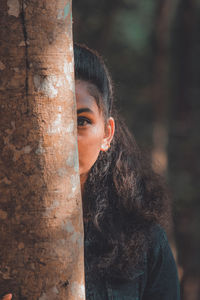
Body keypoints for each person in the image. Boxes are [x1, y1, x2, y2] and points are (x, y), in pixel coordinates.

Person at [2, 44, 180, 300]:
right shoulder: (7, 233)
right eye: (48, 120)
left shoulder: (145, 242)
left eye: (81, 121)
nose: (62, 138)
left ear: (107, 133)